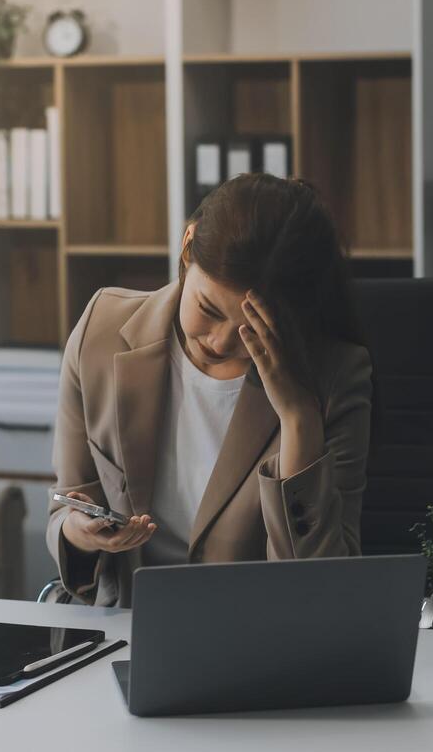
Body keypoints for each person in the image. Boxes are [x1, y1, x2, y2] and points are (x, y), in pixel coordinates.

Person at [47, 173, 372, 607]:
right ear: (187, 245)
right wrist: (78, 532)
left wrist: (298, 420)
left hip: (258, 645)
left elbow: (324, 589)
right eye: (207, 308)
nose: (220, 342)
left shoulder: (334, 378)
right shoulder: (101, 333)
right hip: (126, 633)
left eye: (251, 329)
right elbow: (66, 510)